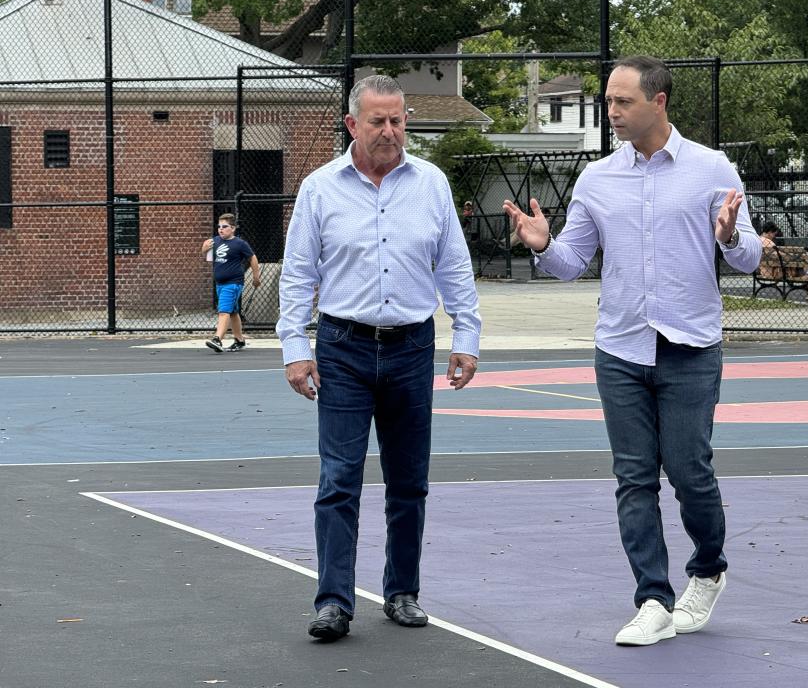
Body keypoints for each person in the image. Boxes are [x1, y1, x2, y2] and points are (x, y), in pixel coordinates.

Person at [504, 55, 761, 647]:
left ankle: (709, 566)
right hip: (619, 348)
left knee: (689, 471)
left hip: (691, 347)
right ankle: (652, 598)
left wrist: (728, 235)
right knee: (634, 478)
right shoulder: (597, 179)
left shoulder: (710, 168)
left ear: (659, 101)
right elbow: (571, 262)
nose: (612, 112)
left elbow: (748, 255)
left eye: (623, 102)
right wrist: (543, 246)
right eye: (609, 102)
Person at [276, 74, 481, 643]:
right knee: (338, 479)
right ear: (352, 125)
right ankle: (334, 602)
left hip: (413, 347)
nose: (390, 131)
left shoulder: (432, 185)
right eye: (377, 121)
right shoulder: (320, 189)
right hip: (343, 349)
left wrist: (467, 336)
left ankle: (402, 592)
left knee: (408, 481)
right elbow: (297, 277)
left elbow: (454, 268)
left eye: (397, 120)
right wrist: (296, 347)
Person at [200, 213, 261, 352]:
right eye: (219, 227)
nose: (221, 229)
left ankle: (218, 339)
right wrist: (204, 249)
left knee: (224, 311)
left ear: (232, 228)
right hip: (220, 283)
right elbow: (209, 258)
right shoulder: (215, 241)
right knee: (233, 312)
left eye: (225, 227)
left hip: (233, 283)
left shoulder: (239, 243)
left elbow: (252, 258)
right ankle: (239, 340)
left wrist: (256, 277)